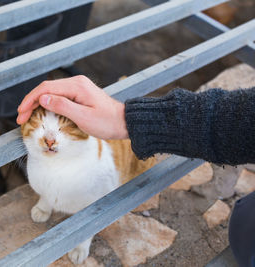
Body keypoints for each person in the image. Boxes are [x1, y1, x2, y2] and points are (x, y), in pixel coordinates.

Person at [16, 75, 255, 267]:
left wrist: (82, 240)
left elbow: (99, 200)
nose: (49, 140)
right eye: (39, 126)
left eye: (62, 128)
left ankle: (82, 240)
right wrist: (124, 119)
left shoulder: (90, 166)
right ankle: (46, 202)